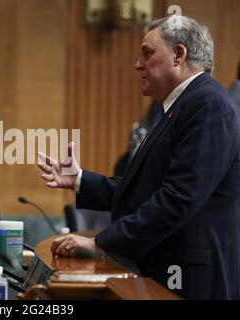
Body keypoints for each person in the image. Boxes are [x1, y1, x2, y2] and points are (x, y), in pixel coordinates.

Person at [38, 15, 240, 300]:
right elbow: (147, 191)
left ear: (178, 55)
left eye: (148, 52)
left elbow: (178, 198)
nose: (138, 64)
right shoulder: (178, 107)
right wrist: (80, 180)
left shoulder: (207, 105)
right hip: (169, 270)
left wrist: (102, 243)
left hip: (190, 279)